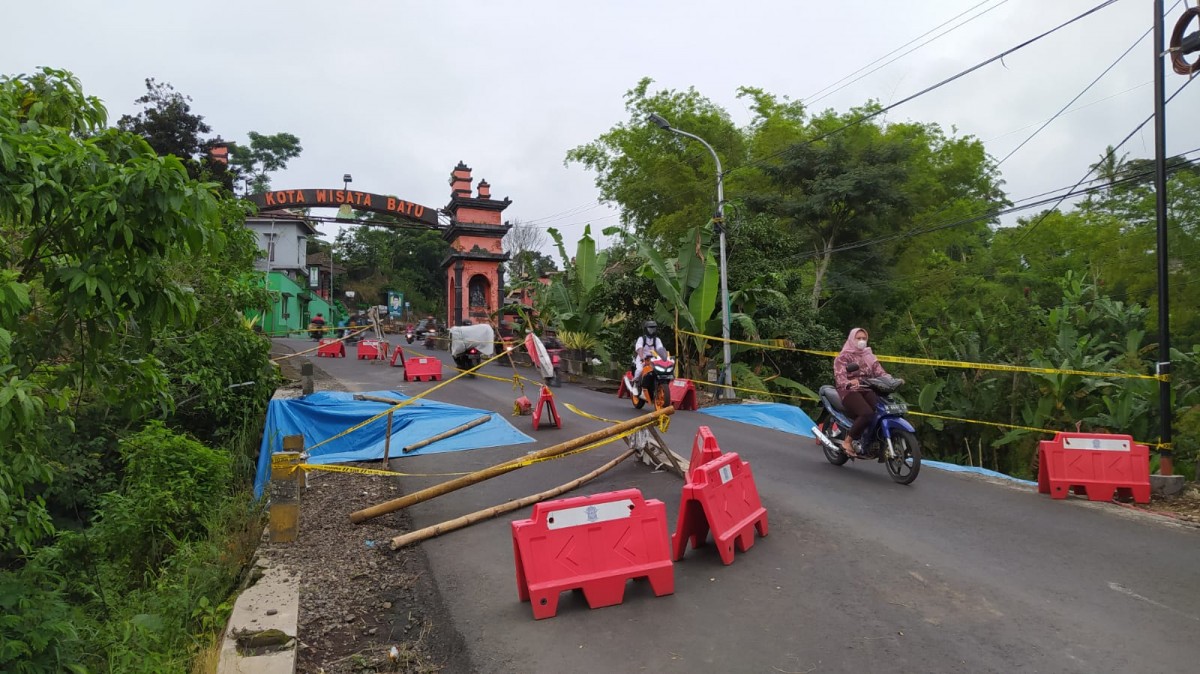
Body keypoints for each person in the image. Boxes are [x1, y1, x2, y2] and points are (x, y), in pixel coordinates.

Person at [833, 327, 890, 457]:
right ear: (852, 339)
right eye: (858, 338)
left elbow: (880, 372)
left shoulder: (869, 355)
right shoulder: (843, 357)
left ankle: (871, 439)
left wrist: (891, 380)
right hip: (848, 390)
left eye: (864, 338)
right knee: (866, 413)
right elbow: (840, 377)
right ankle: (848, 441)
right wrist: (849, 382)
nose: (861, 341)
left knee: (881, 410)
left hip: (867, 388)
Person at [632, 320, 666, 392]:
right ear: (646, 329)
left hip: (653, 359)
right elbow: (639, 349)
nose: (652, 330)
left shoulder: (657, 340)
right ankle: (635, 384)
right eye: (650, 328)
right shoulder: (641, 339)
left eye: (653, 328)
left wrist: (664, 358)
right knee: (639, 370)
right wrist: (642, 358)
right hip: (642, 358)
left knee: (660, 371)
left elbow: (660, 349)